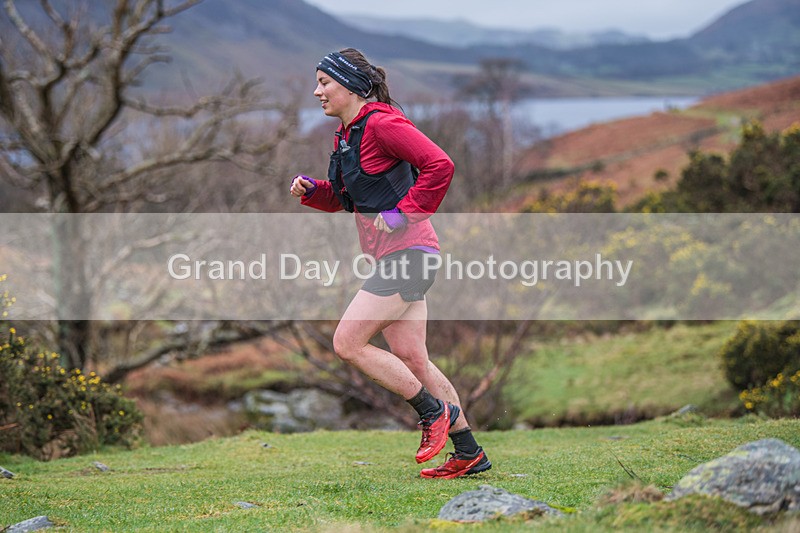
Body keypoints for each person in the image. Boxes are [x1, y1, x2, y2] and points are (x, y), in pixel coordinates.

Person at [289, 48, 491, 479]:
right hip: (398, 257)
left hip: (410, 255)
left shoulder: (382, 123)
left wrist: (403, 214)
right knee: (413, 359)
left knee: (347, 343)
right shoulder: (348, 135)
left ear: (351, 87)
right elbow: (350, 200)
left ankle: (431, 412)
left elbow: (440, 165)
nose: (317, 91)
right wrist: (312, 192)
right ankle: (469, 451)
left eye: (324, 83)